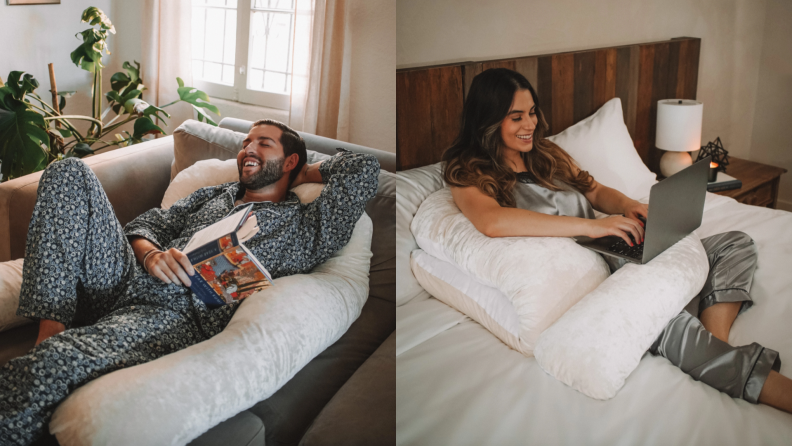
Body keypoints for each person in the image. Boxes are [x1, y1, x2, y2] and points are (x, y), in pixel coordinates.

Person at [0, 119, 380, 445]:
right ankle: (51, 326)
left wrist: (303, 173)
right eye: (246, 141)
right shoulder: (213, 195)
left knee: (54, 363)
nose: (248, 148)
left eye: (264, 143)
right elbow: (143, 226)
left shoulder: (305, 226)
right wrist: (152, 255)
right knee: (68, 171)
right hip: (126, 277)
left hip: (168, 312)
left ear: (291, 160)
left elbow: (363, 168)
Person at [442, 68, 792, 414]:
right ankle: (764, 383)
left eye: (532, 112)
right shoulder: (467, 170)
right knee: (667, 323)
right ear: (487, 121)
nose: (530, 124)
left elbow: (593, 189)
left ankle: (717, 341)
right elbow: (491, 221)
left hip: (613, 240)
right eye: (516, 117)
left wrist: (629, 205)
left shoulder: (544, 152)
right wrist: (592, 227)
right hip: (599, 265)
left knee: (735, 243)